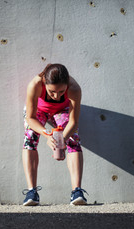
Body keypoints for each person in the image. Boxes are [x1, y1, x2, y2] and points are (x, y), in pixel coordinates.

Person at [22, 63, 88, 206]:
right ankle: (31, 192)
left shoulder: (74, 88)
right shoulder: (35, 85)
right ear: (45, 83)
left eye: (61, 92)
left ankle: (77, 191)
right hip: (38, 112)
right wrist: (47, 135)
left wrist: (61, 140)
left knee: (73, 138)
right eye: (52, 92)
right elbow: (30, 118)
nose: (57, 96)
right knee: (30, 138)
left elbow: (73, 122)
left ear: (67, 85)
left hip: (61, 111)